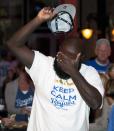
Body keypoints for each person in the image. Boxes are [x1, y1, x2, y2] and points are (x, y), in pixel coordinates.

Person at [6, 5, 104, 131]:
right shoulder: (44, 65)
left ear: (80, 58)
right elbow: (13, 44)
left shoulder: (89, 73)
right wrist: (38, 19)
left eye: (68, 58)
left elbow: (95, 103)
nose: (61, 60)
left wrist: (73, 72)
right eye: (60, 54)